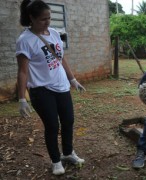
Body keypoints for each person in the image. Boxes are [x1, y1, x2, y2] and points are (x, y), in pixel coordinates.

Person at [16, 0, 86, 175]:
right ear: (31, 18)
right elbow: (23, 72)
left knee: (68, 121)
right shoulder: (25, 40)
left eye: (49, 18)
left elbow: (61, 58)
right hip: (41, 90)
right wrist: (22, 98)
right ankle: (56, 161)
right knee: (52, 126)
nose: (47, 22)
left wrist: (73, 80)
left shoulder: (54, 33)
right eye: (42, 19)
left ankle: (68, 153)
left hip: (62, 87)